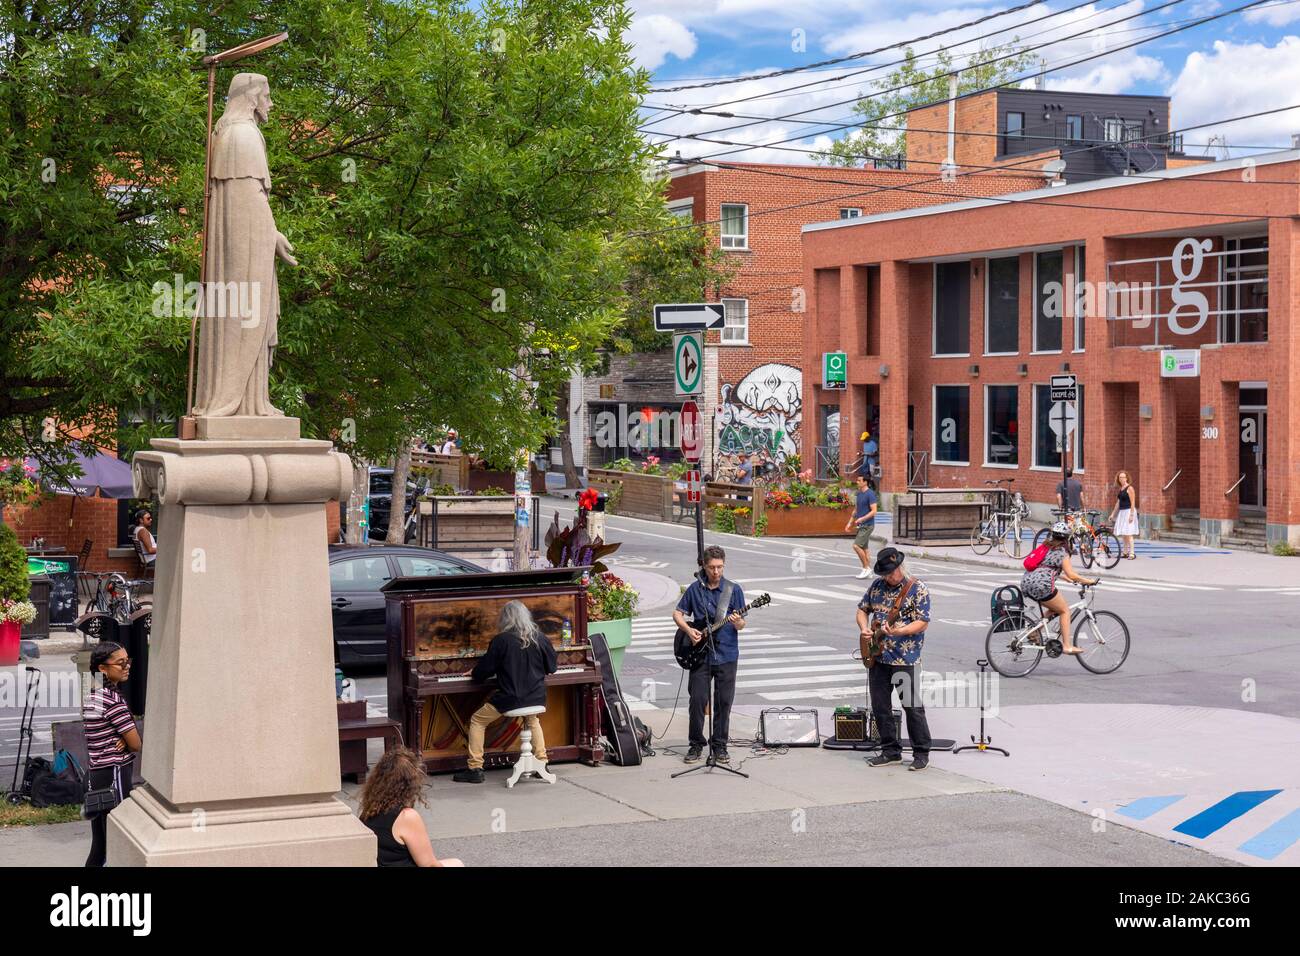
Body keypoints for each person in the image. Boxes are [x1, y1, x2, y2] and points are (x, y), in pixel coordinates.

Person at [453, 601, 556, 784]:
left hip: (510, 698)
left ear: (505, 619)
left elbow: (482, 673)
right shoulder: (540, 637)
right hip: (536, 696)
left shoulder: (501, 640)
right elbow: (552, 667)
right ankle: (542, 763)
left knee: (477, 720)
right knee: (532, 719)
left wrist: (475, 672)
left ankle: (475, 768)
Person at [857, 548, 933, 771]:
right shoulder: (877, 586)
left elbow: (923, 621)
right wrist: (864, 629)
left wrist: (900, 631)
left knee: (912, 707)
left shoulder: (917, 589)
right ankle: (890, 751)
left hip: (905, 658)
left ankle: (921, 753)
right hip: (878, 656)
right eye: (885, 573)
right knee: (881, 706)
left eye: (892, 572)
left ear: (901, 567)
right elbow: (862, 610)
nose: (889, 577)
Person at [672, 545, 746, 765]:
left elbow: (742, 624)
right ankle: (695, 744)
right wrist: (688, 630)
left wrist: (738, 621)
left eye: (720, 567)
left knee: (724, 702)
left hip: (727, 654)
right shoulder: (695, 589)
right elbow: (677, 613)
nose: (716, 572)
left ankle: (720, 746)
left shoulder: (734, 590)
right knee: (697, 700)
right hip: (701, 655)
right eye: (712, 567)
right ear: (704, 566)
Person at [83, 642, 141, 867]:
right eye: (120, 662)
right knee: (118, 842)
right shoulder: (113, 700)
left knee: (100, 845)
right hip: (114, 776)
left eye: (128, 661)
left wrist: (121, 738)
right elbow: (136, 743)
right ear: (103, 669)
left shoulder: (92, 695)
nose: (127, 666)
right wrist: (126, 741)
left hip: (96, 775)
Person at [358, 747, 463, 867]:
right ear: (410, 784)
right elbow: (429, 865)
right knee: (456, 863)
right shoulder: (406, 817)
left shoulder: (369, 810)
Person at [1020, 521, 1098, 654]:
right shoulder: (1062, 552)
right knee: (1065, 611)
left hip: (1027, 583)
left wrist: (1062, 577)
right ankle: (1067, 646)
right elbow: (1072, 574)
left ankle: (1034, 632)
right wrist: (1088, 581)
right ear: (1066, 539)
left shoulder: (1046, 546)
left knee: (1055, 608)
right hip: (1041, 586)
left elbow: (1045, 567)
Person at [845, 473, 878, 579]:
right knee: (865, 548)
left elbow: (874, 511)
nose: (857, 482)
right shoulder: (859, 494)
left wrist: (862, 519)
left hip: (867, 525)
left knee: (856, 546)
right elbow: (856, 510)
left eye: (859, 480)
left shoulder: (870, 494)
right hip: (861, 525)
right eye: (857, 480)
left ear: (865, 482)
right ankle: (869, 571)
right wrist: (849, 523)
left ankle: (866, 568)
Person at [1110, 470, 1139, 559]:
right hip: (1122, 512)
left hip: (1128, 511)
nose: (1121, 479)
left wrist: (1131, 514)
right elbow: (1118, 503)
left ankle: (1132, 553)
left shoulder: (1129, 488)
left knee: (1129, 533)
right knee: (1124, 533)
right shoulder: (1121, 489)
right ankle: (1125, 552)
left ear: (1126, 478)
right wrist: (1113, 514)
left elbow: (1133, 501)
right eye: (1120, 477)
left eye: (1123, 477)